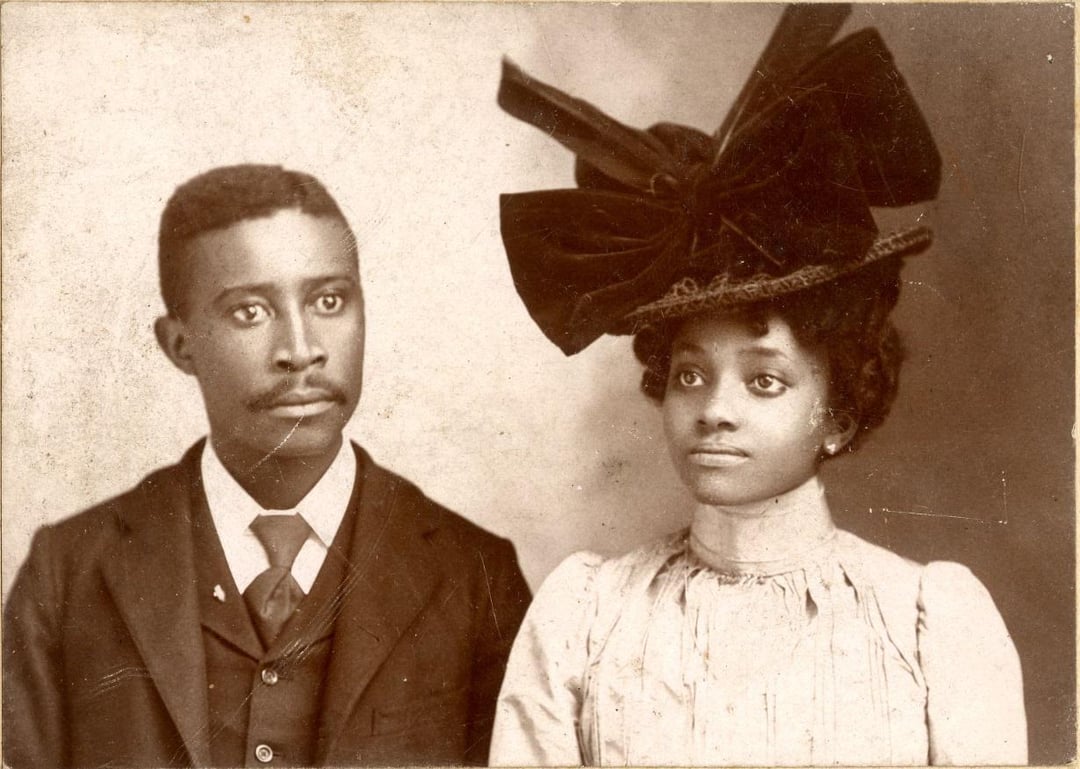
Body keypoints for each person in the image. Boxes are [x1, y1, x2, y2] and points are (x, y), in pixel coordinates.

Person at [488, 6, 1026, 766]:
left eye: (765, 381)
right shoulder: (583, 616)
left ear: (838, 413)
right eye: (690, 375)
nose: (714, 410)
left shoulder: (925, 621)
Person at [2, 164, 531, 768]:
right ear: (179, 345)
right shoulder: (68, 571)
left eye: (329, 301)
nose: (301, 351)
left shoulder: (474, 573)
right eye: (249, 312)